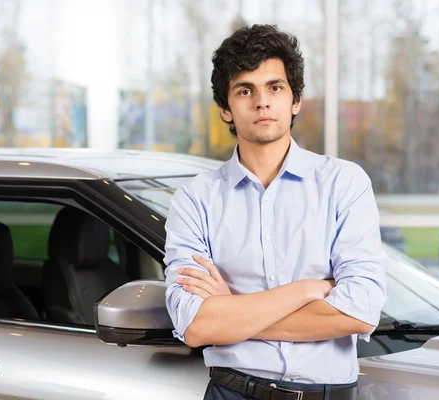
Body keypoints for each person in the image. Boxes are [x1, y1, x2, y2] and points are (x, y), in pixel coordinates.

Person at [164, 24, 387, 400]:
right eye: (245, 90)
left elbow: (360, 312)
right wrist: (308, 290)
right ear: (225, 108)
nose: (262, 102)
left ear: (295, 99)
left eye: (275, 87)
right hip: (231, 392)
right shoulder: (194, 200)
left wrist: (233, 314)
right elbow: (197, 325)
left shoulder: (344, 183)